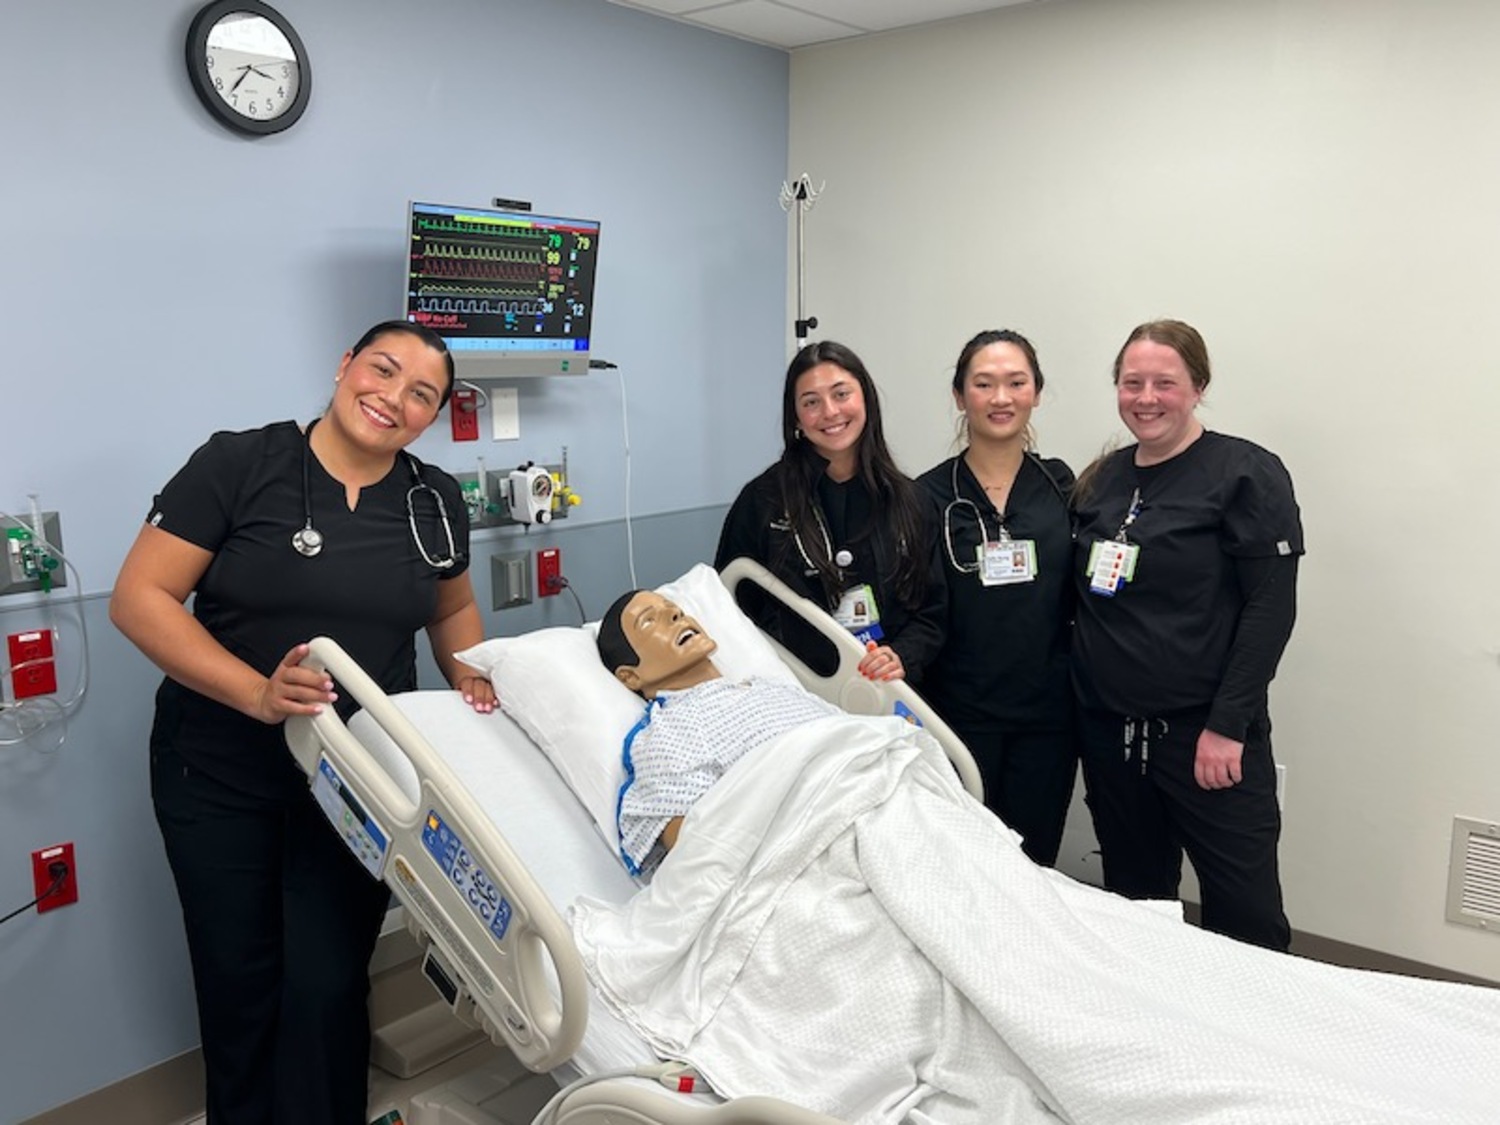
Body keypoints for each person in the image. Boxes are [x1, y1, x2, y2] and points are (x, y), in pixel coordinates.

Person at [109, 320, 498, 1125]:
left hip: (354, 782)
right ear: (344, 365)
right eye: (383, 370)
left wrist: (478, 682)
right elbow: (139, 598)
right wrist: (257, 692)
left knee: (328, 979)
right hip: (218, 774)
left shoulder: (434, 499)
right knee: (239, 978)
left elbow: (452, 604)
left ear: (432, 416)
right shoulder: (238, 464)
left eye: (421, 392)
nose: (393, 397)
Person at [1070, 318, 1303, 951]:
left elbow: (1269, 609)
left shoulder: (1244, 473)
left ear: (1197, 386)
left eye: (1164, 383)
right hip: (1113, 738)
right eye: (1131, 382)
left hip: (1207, 738)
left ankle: (1254, 1039)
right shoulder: (1101, 481)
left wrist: (1228, 726)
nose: (1146, 398)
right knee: (1137, 906)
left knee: (1245, 914)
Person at [917, 329, 1077, 866]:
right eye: (983, 384)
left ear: (1037, 391)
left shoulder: (1063, 489)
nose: (1001, 397)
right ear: (961, 397)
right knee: (963, 866)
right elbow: (918, 608)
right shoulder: (926, 497)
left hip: (1049, 716)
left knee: (1034, 867)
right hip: (958, 716)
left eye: (1016, 382)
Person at [714, 340, 945, 684]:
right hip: (795, 690)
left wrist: (902, 656)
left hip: (889, 689)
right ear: (795, 417)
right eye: (811, 402)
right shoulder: (762, 501)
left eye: (841, 394)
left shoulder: (909, 500)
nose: (830, 412)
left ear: (865, 398)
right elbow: (729, 608)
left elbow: (933, 611)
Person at [596, 588, 837, 876]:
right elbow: (702, 852)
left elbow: (860, 738)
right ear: (631, 676)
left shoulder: (773, 688)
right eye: (649, 621)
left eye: (676, 609)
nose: (674, 615)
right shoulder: (669, 732)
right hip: (823, 836)